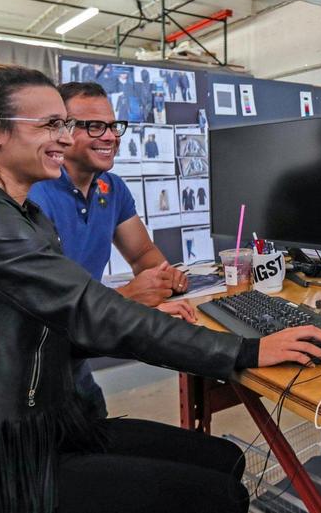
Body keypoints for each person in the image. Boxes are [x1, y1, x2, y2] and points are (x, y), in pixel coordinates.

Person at [0, 36, 321, 513]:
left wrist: (171, 327)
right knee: (219, 494)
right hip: (12, 457)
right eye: (53, 124)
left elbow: (65, 329)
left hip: (54, 419)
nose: (64, 136)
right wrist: (246, 348)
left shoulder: (21, 213)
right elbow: (90, 311)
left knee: (221, 458)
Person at [27, 81, 191, 418]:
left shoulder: (110, 187)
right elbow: (51, 307)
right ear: (62, 131)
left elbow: (142, 254)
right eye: (95, 126)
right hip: (37, 370)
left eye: (113, 126)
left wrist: (162, 277)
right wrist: (129, 297)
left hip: (77, 362)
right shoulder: (35, 194)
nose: (111, 137)